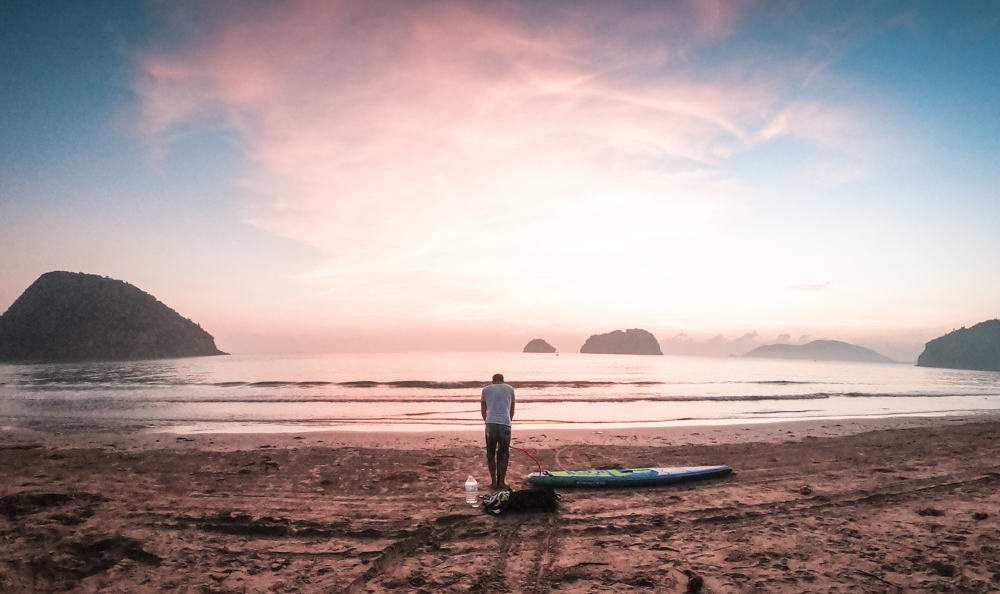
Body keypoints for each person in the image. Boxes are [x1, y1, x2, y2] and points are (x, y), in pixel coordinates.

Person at [481, 373, 515, 491]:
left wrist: (488, 422)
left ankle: (493, 482)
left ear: (493, 381)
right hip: (505, 424)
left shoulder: (485, 390)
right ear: (503, 381)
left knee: (490, 454)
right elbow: (512, 410)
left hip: (491, 424)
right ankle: (502, 482)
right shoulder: (510, 389)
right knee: (503, 454)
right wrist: (508, 422)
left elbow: (483, 410)